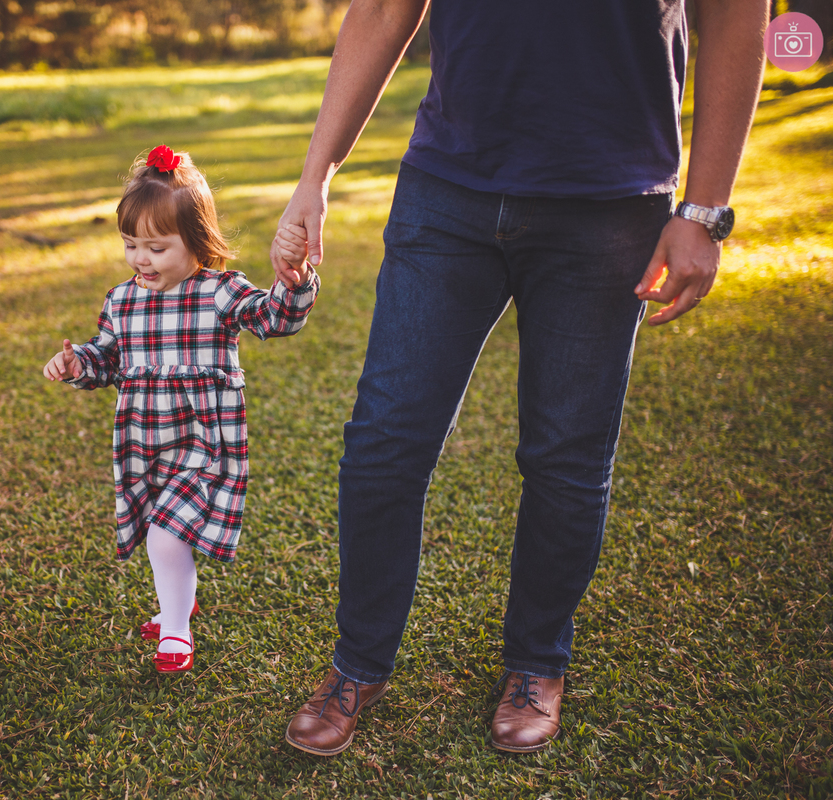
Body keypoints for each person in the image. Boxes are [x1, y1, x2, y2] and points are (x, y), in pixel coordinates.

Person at [270, 0, 768, 755]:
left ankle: (537, 664)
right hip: (445, 190)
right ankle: (358, 666)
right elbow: (381, 9)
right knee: (384, 441)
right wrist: (316, 175)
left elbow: (737, 15)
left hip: (612, 204)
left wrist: (704, 210)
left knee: (566, 454)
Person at [45, 145, 320, 674]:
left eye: (155, 246)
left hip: (204, 444)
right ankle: (177, 603)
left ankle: (176, 631)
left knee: (169, 534)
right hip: (146, 444)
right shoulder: (122, 300)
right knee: (159, 533)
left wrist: (295, 284)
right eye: (130, 245)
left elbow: (274, 319)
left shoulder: (218, 292)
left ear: (197, 242)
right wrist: (79, 364)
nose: (140, 259)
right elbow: (109, 359)